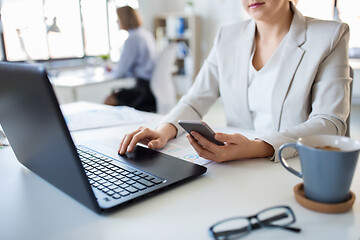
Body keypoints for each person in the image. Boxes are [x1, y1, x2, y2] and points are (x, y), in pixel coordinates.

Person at [118, 0, 351, 163]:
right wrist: (164, 130)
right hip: (237, 169)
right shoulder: (227, 36)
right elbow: (195, 101)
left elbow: (330, 122)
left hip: (297, 168)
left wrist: (259, 147)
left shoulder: (329, 36)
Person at [104, 6, 158, 112]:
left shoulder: (133, 38)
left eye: (118, 18)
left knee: (108, 100)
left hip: (144, 91)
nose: (117, 21)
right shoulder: (145, 34)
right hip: (153, 88)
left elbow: (121, 72)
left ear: (124, 19)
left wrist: (113, 71)